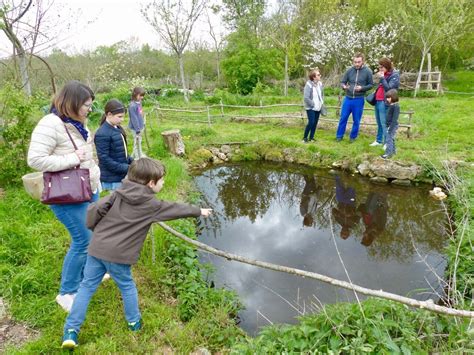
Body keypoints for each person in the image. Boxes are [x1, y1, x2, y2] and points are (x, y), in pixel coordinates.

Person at [60, 158, 212, 349]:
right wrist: (199, 211)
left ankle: (71, 331)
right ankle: (134, 322)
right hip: (119, 255)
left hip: (97, 248)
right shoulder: (151, 205)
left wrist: (93, 228)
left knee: (87, 286)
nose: (164, 183)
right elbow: (176, 209)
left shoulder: (118, 193)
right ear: (151, 183)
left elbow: (96, 208)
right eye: (162, 180)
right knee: (126, 285)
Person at [27, 81, 100, 312]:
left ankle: (84, 276)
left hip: (88, 188)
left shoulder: (77, 123)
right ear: (73, 103)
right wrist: (72, 159)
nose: (90, 109)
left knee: (91, 236)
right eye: (87, 105)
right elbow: (35, 159)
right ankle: (67, 292)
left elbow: (87, 153)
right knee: (83, 240)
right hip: (67, 194)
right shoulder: (51, 123)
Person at [95, 99, 133, 191]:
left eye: (123, 117)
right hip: (112, 178)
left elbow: (122, 151)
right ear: (109, 114)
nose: (122, 119)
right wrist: (126, 168)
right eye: (119, 117)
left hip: (121, 175)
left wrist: (132, 162)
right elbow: (104, 159)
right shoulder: (102, 133)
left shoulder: (117, 128)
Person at [336, 53, 373, 142]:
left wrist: (362, 88)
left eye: (358, 62)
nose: (356, 64)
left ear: (363, 61)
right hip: (348, 99)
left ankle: (353, 137)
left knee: (356, 120)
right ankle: (339, 136)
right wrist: (344, 86)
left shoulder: (368, 71)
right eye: (355, 62)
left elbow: (371, 85)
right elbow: (342, 82)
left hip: (359, 99)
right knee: (343, 118)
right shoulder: (349, 71)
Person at [369, 58, 400, 148]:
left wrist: (382, 78)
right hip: (378, 101)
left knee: (384, 123)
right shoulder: (384, 74)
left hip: (385, 102)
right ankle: (379, 140)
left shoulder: (394, 75)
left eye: (382, 67)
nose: (380, 69)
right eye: (379, 67)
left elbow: (389, 88)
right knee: (379, 122)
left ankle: (387, 142)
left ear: (387, 66)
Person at [332, 175, 360, 239]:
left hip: (340, 201)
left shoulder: (338, 221)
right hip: (350, 203)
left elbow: (333, 210)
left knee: (338, 187)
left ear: (340, 231)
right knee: (351, 187)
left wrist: (339, 214)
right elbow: (360, 213)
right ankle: (353, 175)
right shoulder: (354, 224)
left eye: (342, 232)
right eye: (345, 233)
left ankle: (338, 173)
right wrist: (351, 214)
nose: (344, 231)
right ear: (348, 233)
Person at [302, 69, 324, 143]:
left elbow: (321, 94)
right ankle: (305, 138)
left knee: (315, 123)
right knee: (311, 122)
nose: (320, 75)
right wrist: (313, 104)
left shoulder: (320, 84)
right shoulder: (308, 85)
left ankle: (311, 138)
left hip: (318, 107)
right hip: (311, 107)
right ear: (314, 77)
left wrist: (321, 103)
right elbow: (306, 97)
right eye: (318, 75)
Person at [381, 89, 400, 159]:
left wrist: (390, 128)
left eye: (389, 98)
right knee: (391, 139)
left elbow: (394, 119)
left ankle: (388, 154)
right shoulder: (391, 105)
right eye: (387, 97)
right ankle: (394, 152)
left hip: (392, 126)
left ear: (393, 97)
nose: (387, 99)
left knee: (388, 139)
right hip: (389, 125)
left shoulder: (396, 106)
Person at [128, 87, 146, 159]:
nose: (142, 97)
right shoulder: (132, 106)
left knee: (138, 142)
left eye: (142, 95)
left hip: (140, 125)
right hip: (135, 128)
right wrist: (137, 129)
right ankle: (137, 158)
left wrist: (143, 121)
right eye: (140, 95)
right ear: (135, 94)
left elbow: (140, 112)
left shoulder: (139, 103)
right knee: (137, 142)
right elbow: (134, 118)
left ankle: (135, 155)